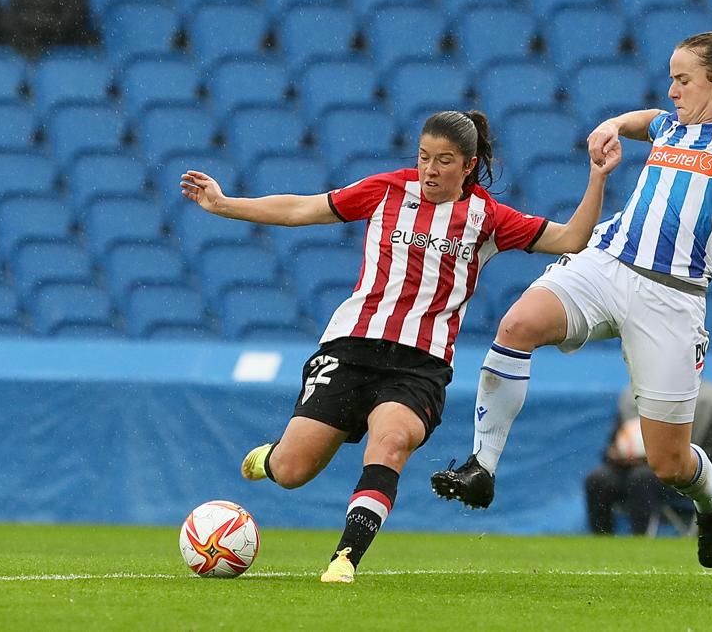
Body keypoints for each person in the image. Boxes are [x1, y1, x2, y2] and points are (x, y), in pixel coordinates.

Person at [431, 0, 712, 569]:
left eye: (682, 79)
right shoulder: (670, 126)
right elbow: (644, 118)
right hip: (606, 264)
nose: (672, 90)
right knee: (517, 325)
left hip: (672, 297)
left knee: (669, 463)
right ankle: (482, 466)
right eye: (671, 79)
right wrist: (612, 124)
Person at [180, 110, 622, 584]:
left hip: (420, 365)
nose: (430, 170)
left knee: (390, 443)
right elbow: (301, 209)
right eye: (424, 157)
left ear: (468, 165)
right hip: (351, 347)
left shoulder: (488, 218)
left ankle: (345, 558)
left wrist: (597, 178)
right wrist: (224, 204)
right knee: (292, 471)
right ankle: (272, 457)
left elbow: (571, 238)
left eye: (444, 161)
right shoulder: (387, 189)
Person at [585, 381, 712, 536]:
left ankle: (641, 538)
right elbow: (612, 446)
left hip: (679, 471)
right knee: (598, 480)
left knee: (641, 478)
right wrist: (618, 455)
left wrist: (673, 456)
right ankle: (601, 539)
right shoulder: (631, 396)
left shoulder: (710, 398)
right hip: (631, 468)